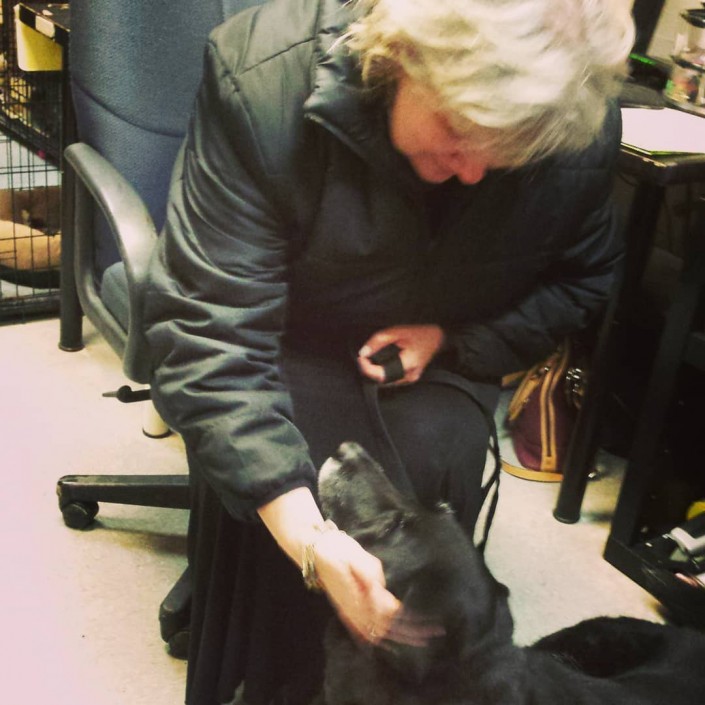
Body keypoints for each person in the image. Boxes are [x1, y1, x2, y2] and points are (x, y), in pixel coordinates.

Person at [142, 0, 635, 703]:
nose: (474, 171)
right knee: (300, 479)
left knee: (432, 458)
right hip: (281, 333)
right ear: (399, 54)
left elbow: (583, 280)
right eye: (459, 129)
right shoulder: (264, 77)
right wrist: (309, 540)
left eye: (506, 154)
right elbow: (211, 326)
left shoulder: (570, 124)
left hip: (443, 345)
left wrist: (455, 340)